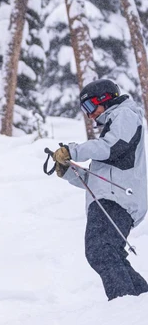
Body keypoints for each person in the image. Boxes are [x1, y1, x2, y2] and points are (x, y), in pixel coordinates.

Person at [50, 78, 148, 300]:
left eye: (90, 107)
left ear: (104, 98)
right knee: (108, 253)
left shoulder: (124, 115)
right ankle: (140, 301)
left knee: (100, 251)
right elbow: (98, 181)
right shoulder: (113, 126)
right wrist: (67, 172)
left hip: (118, 200)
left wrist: (72, 150)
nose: (89, 115)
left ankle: (124, 306)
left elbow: (112, 147)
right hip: (113, 199)